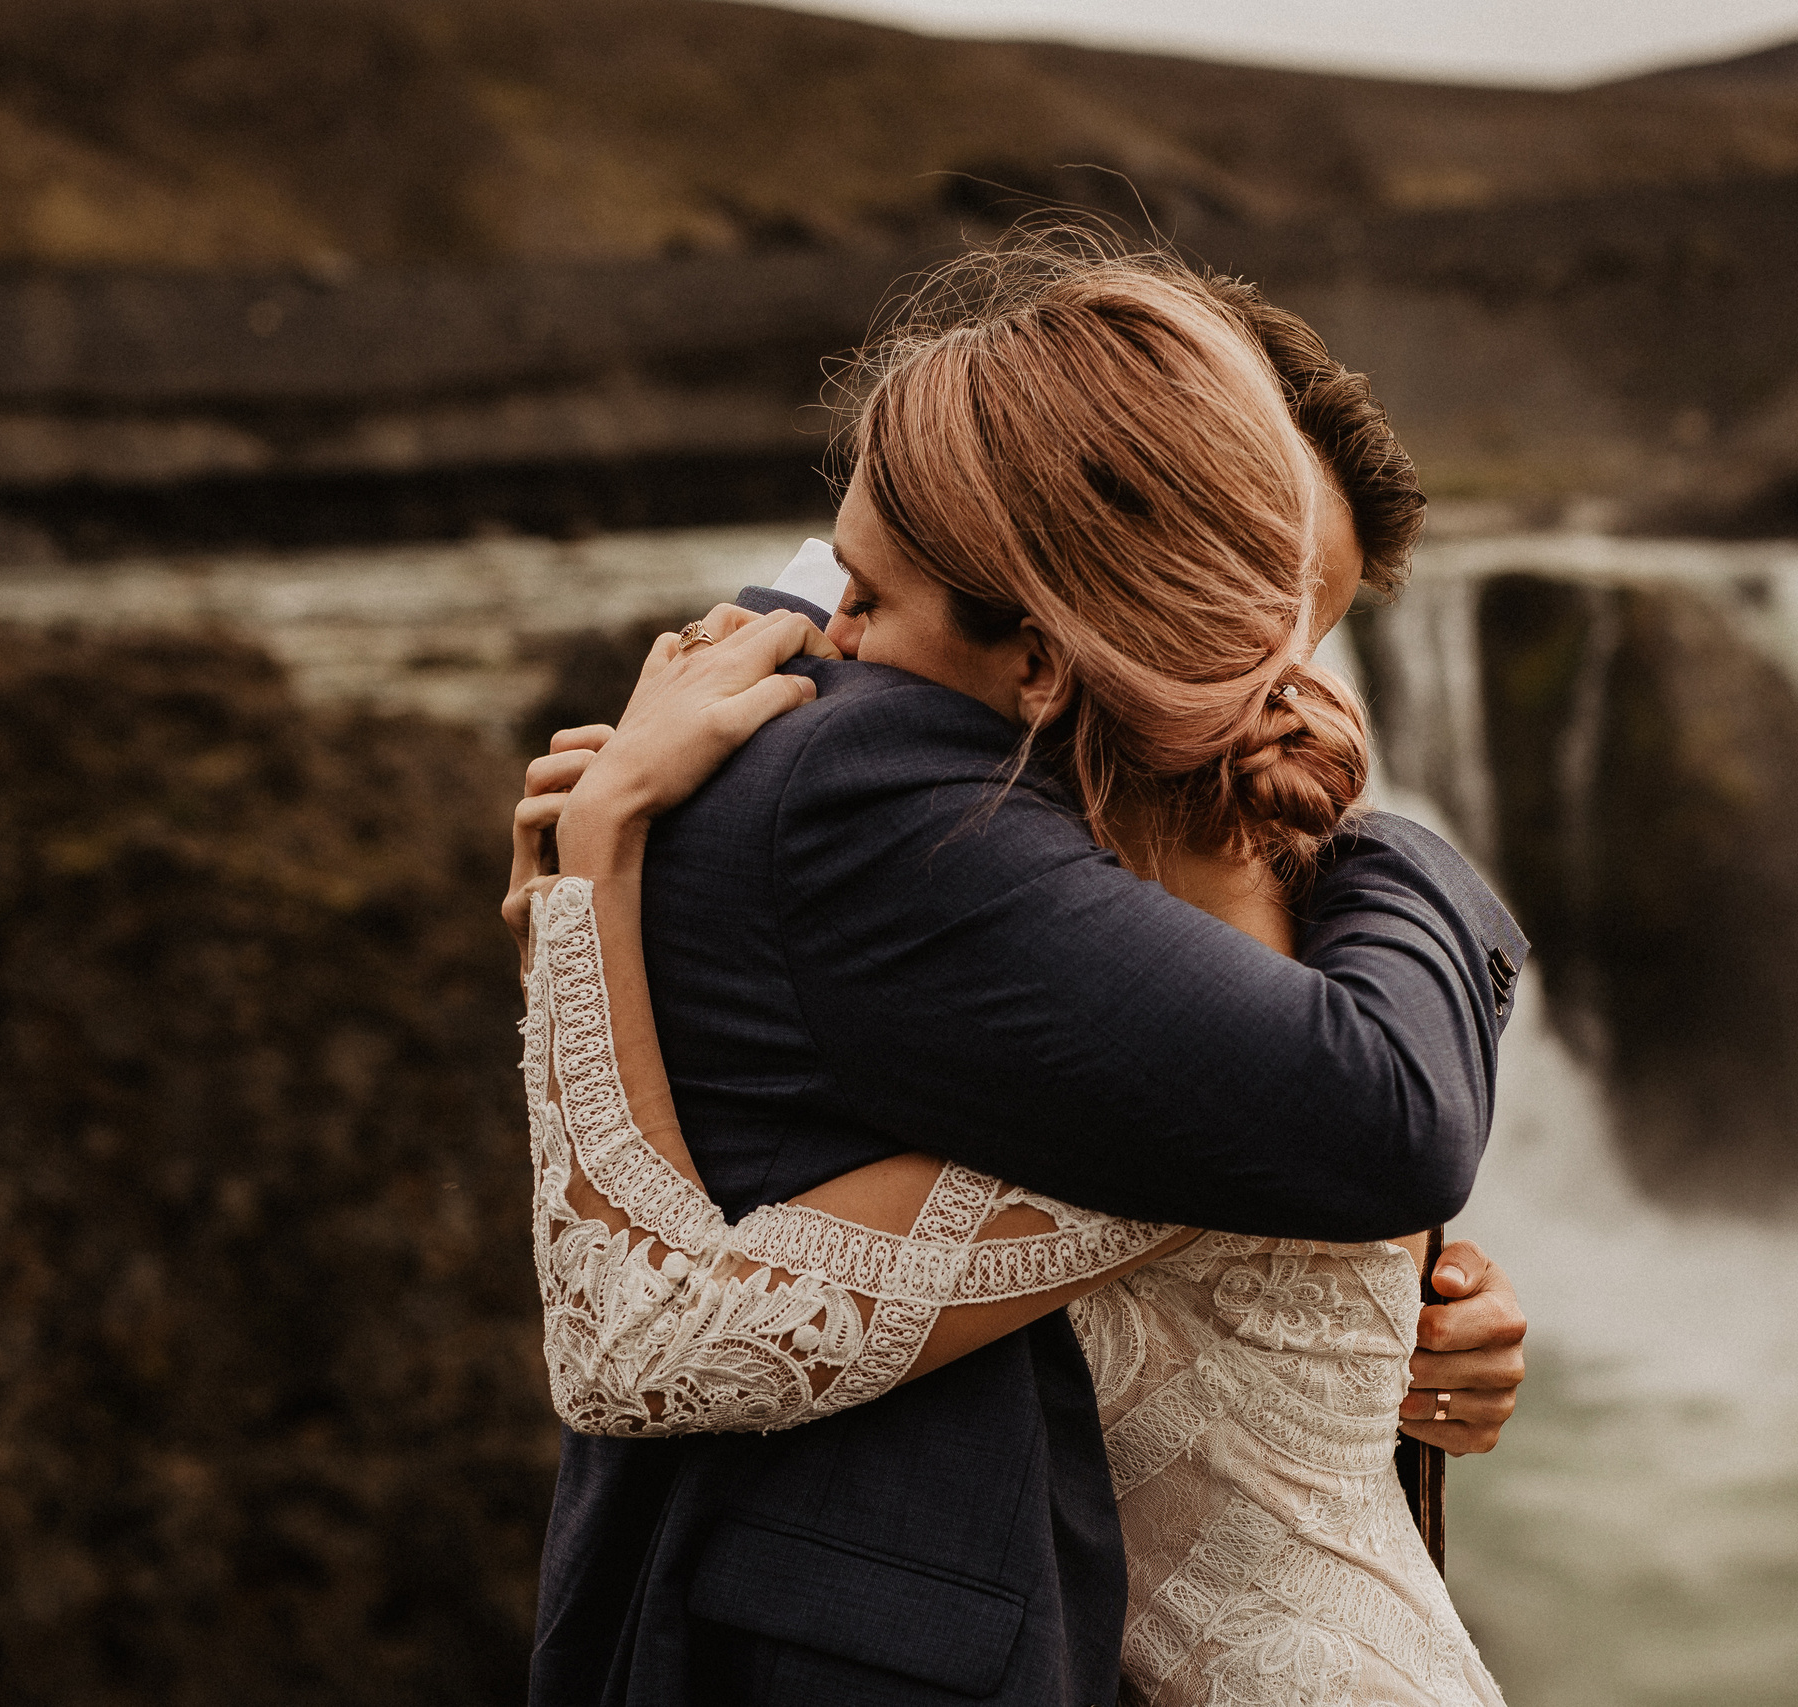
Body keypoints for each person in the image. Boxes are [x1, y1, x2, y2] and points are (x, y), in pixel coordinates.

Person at [508, 236, 1528, 1707]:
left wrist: (587, 875)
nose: (816, 635)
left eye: (1301, 616)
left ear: (1049, 660)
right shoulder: (1104, 876)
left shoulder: (1198, 972)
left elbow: (639, 1337)